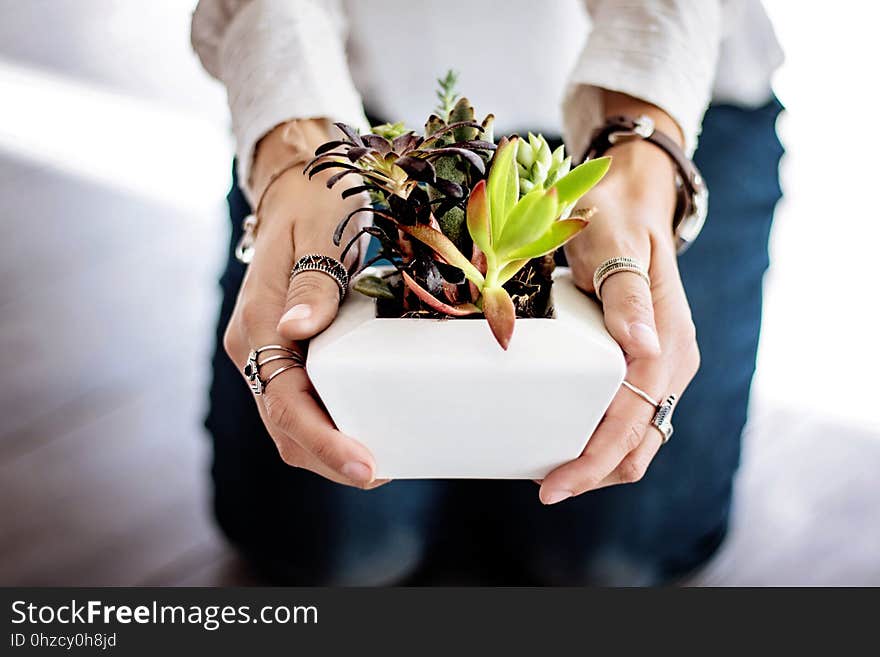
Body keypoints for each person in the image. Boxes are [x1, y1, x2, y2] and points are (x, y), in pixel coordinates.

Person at [191, 0, 784, 585]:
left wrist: (641, 146)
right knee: (332, 553)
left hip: (671, 107)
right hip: (366, 128)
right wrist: (292, 146)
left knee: (613, 558)